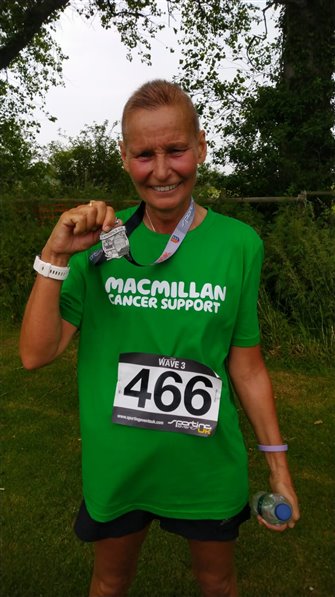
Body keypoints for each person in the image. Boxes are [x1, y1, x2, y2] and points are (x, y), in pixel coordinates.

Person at [20, 79, 300, 597]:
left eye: (176, 149)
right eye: (145, 154)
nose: (163, 169)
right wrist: (56, 257)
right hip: (119, 465)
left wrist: (277, 468)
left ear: (201, 148)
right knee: (109, 581)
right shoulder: (99, 243)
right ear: (125, 158)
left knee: (218, 583)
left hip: (205, 464)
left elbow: (247, 366)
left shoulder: (240, 244)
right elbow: (36, 354)